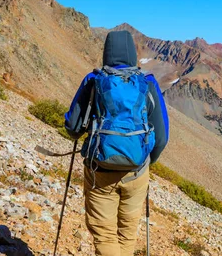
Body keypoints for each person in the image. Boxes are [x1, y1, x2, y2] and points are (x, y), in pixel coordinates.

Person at [64, 30, 169, 256]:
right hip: (137, 171)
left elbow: (73, 128)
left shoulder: (93, 80)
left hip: (99, 171)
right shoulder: (147, 83)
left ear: (106, 52)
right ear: (132, 53)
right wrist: (148, 161)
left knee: (104, 234)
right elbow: (161, 137)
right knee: (127, 233)